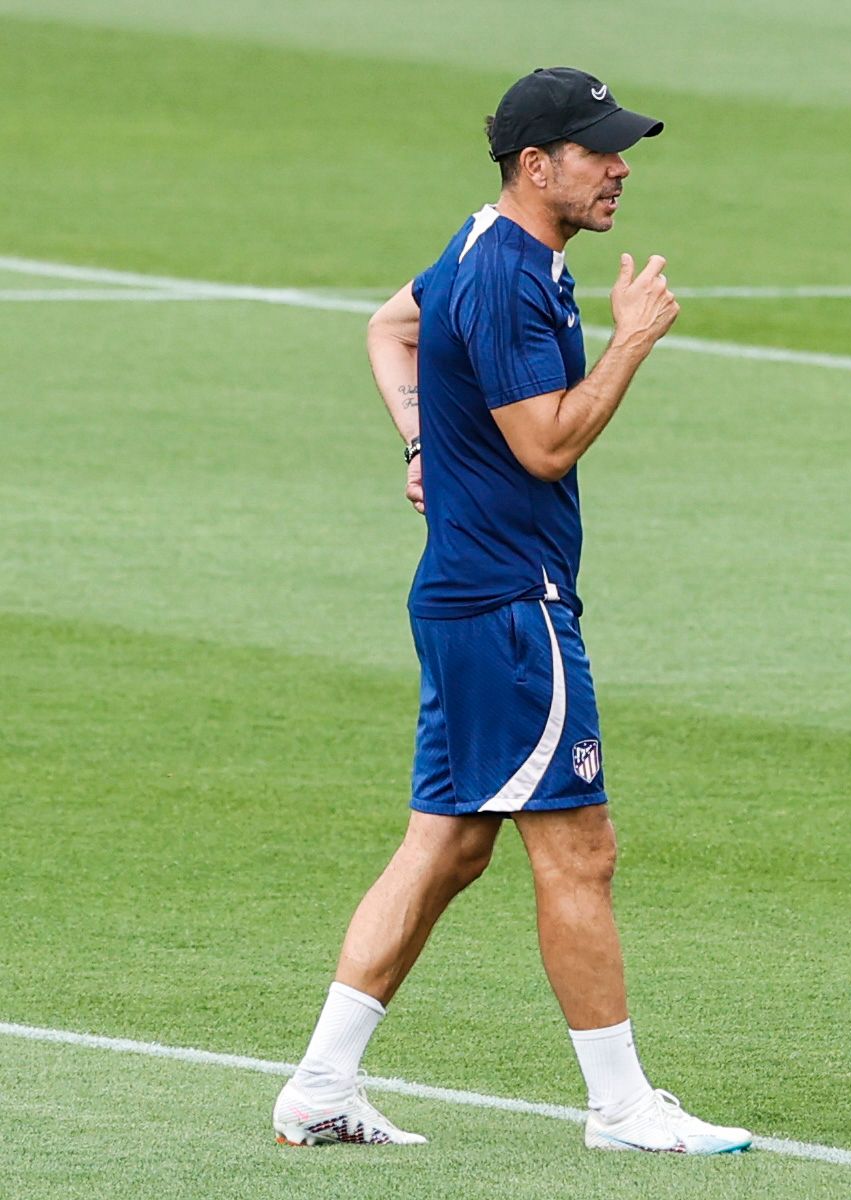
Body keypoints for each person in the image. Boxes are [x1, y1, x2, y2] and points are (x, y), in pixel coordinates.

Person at [271, 66, 750, 1155]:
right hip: (507, 606)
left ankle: (318, 1086)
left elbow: (388, 327)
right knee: (578, 850)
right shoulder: (501, 277)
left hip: (466, 595)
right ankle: (621, 1107)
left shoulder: (482, 248)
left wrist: (418, 442)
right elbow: (545, 445)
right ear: (537, 165)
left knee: (444, 848)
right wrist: (630, 337)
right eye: (599, 150)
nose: (621, 166)